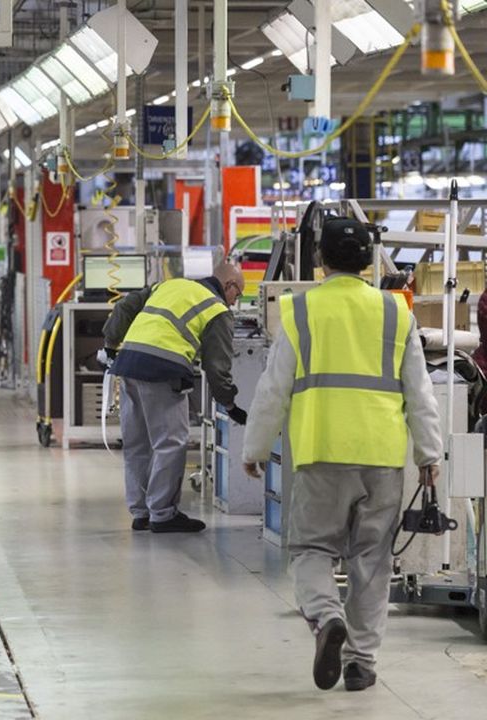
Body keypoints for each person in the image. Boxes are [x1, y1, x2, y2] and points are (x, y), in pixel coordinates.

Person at [242, 217, 441, 692]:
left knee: (311, 549)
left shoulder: (300, 311)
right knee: (371, 560)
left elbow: (273, 389)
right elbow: (421, 392)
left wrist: (254, 446)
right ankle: (361, 663)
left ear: (320, 260)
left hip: (320, 450)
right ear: (370, 261)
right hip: (382, 456)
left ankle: (327, 617)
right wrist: (429, 454)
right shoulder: (397, 312)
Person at [102, 262, 248, 533]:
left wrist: (111, 345)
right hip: (162, 370)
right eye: (237, 295)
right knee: (170, 443)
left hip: (129, 364)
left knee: (137, 443)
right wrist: (228, 403)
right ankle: (163, 513)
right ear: (228, 286)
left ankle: (141, 512)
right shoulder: (217, 310)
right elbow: (217, 368)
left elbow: (124, 307)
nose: (234, 303)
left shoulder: (170, 284)